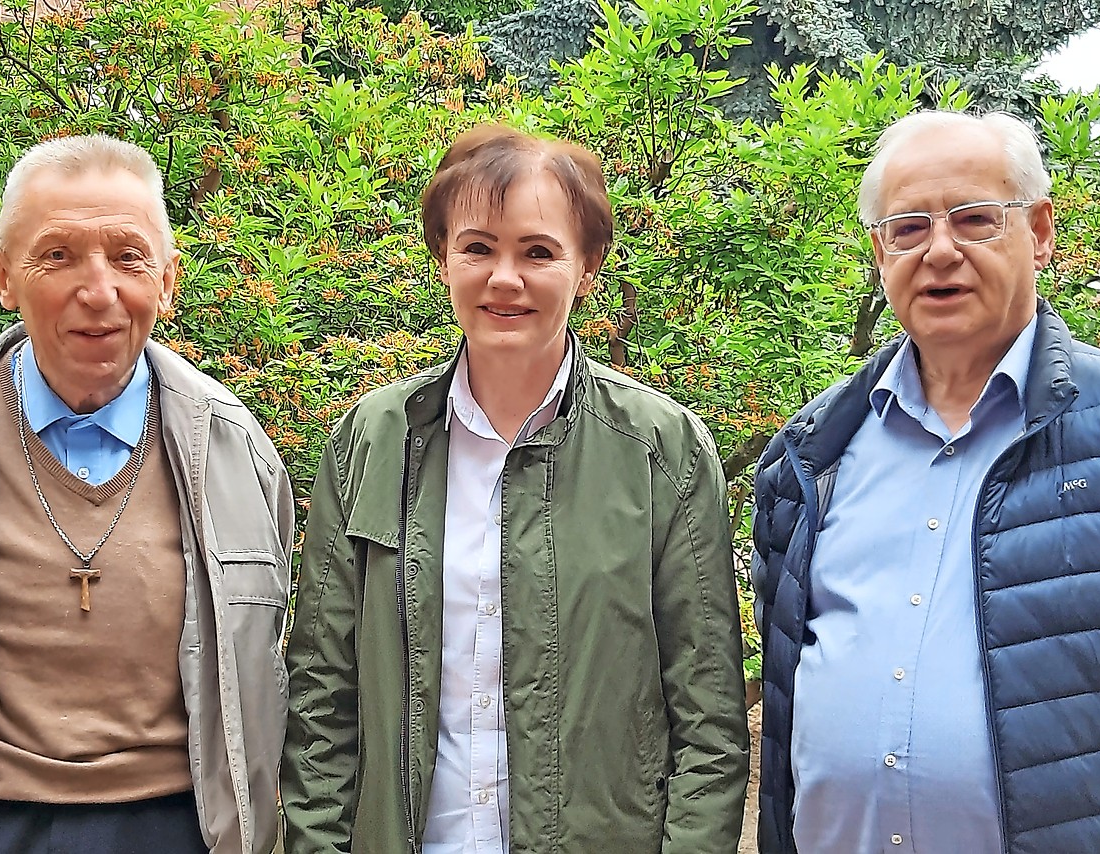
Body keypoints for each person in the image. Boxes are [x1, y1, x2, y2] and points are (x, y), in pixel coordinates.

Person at [282, 124, 750, 853]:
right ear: (443, 257)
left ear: (588, 266)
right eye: (477, 248)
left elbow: (709, 718)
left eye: (538, 251)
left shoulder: (662, 450)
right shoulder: (372, 441)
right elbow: (321, 699)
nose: (505, 278)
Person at [751, 109, 1100, 854]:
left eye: (974, 219)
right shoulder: (808, 459)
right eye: (908, 228)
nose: (939, 251)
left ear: (1041, 231)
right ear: (879, 252)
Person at [0, 135, 294, 853]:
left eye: (128, 257)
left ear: (166, 280)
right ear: (4, 277)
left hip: (183, 826)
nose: (97, 292)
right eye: (57, 255)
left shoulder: (236, 449)